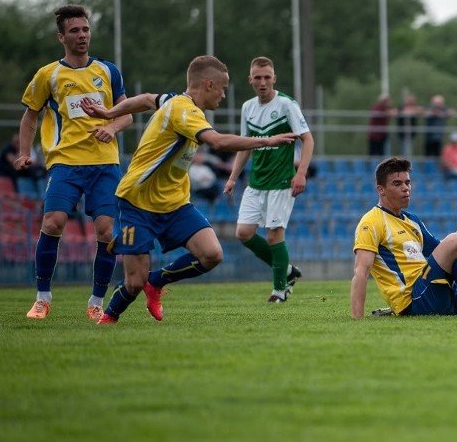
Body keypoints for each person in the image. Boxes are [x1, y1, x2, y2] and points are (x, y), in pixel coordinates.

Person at [79, 55, 297, 324]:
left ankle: (157, 281)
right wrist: (266, 140)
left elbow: (147, 98)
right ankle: (109, 317)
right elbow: (217, 141)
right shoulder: (186, 112)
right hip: (138, 201)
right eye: (222, 88)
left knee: (212, 254)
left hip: (174, 203)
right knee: (134, 283)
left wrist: (109, 112)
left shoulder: (173, 100)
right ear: (208, 85)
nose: (223, 95)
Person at [14, 4, 132, 321]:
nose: (82, 36)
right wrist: (25, 152)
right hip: (65, 162)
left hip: (105, 164)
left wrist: (111, 127)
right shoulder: (48, 75)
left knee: (107, 233)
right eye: (75, 31)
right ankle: (42, 299)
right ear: (61, 37)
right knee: (52, 222)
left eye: (85, 29)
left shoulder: (108, 71)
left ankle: (96, 302)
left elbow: (128, 114)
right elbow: (30, 115)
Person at [351, 157, 457, 319]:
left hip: (429, 291)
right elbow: (361, 272)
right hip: (412, 299)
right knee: (456, 243)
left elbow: (442, 251)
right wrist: (357, 319)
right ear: (381, 189)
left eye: (408, 183)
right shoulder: (371, 223)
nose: (405, 188)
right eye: (397, 184)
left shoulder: (412, 220)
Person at [224, 56, 313, 303]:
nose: (262, 82)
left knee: (274, 235)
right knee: (243, 233)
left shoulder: (287, 105)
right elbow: (245, 146)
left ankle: (279, 290)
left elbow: (308, 139)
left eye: (267, 77)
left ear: (274, 78)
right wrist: (233, 178)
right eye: (258, 77)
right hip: (256, 181)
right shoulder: (247, 107)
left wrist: (301, 173)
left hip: (282, 181)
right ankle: (287, 271)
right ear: (250, 79)